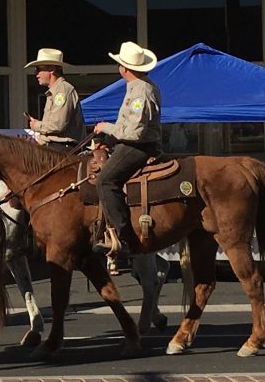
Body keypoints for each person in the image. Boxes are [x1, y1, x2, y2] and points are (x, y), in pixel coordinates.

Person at [92, 41, 162, 260]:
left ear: (124, 68)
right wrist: (109, 140)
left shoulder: (140, 91)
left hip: (139, 146)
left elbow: (134, 132)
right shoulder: (139, 87)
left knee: (105, 180)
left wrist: (105, 128)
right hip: (132, 143)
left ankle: (124, 238)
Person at [24, 48, 85, 151]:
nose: (36, 74)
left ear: (51, 69)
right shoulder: (55, 91)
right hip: (54, 147)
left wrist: (36, 125)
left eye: (39, 69)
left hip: (62, 149)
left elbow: (57, 125)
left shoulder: (62, 91)